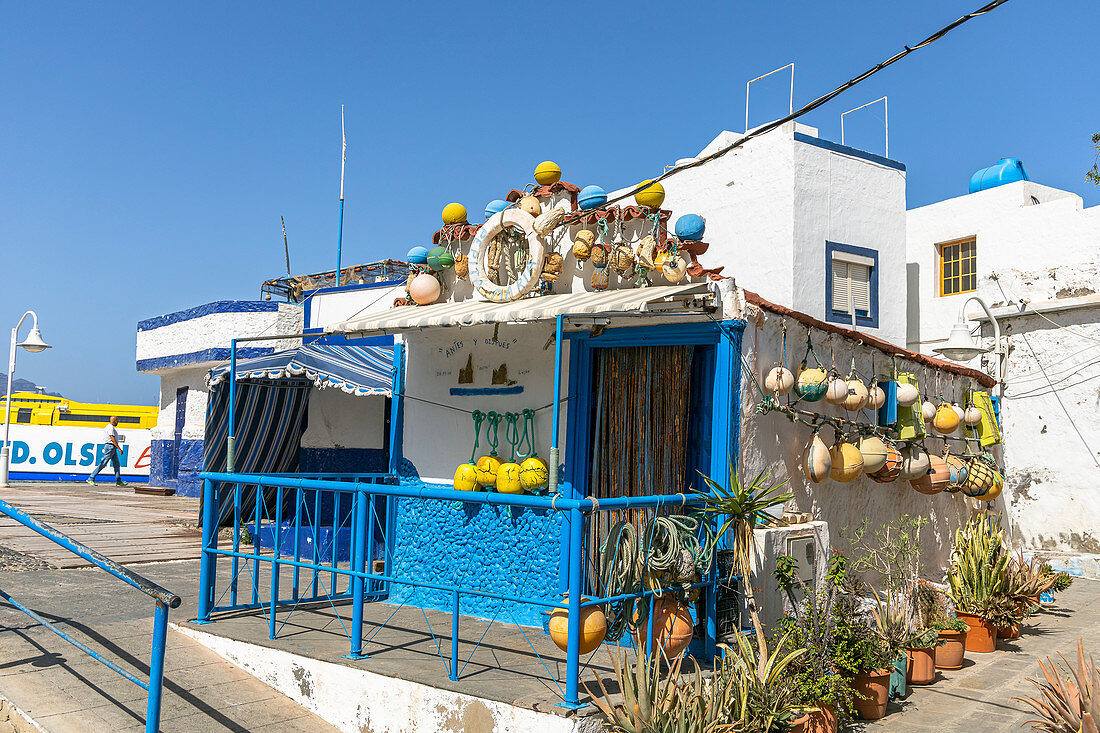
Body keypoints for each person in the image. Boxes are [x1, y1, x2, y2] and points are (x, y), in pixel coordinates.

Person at [87, 416, 127, 487]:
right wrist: (119, 448)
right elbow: (112, 438)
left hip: (112, 447)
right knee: (103, 463)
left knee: (116, 465)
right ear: (114, 421)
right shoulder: (110, 427)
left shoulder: (110, 427)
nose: (118, 422)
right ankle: (91, 478)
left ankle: (118, 481)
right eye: (117, 420)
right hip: (110, 447)